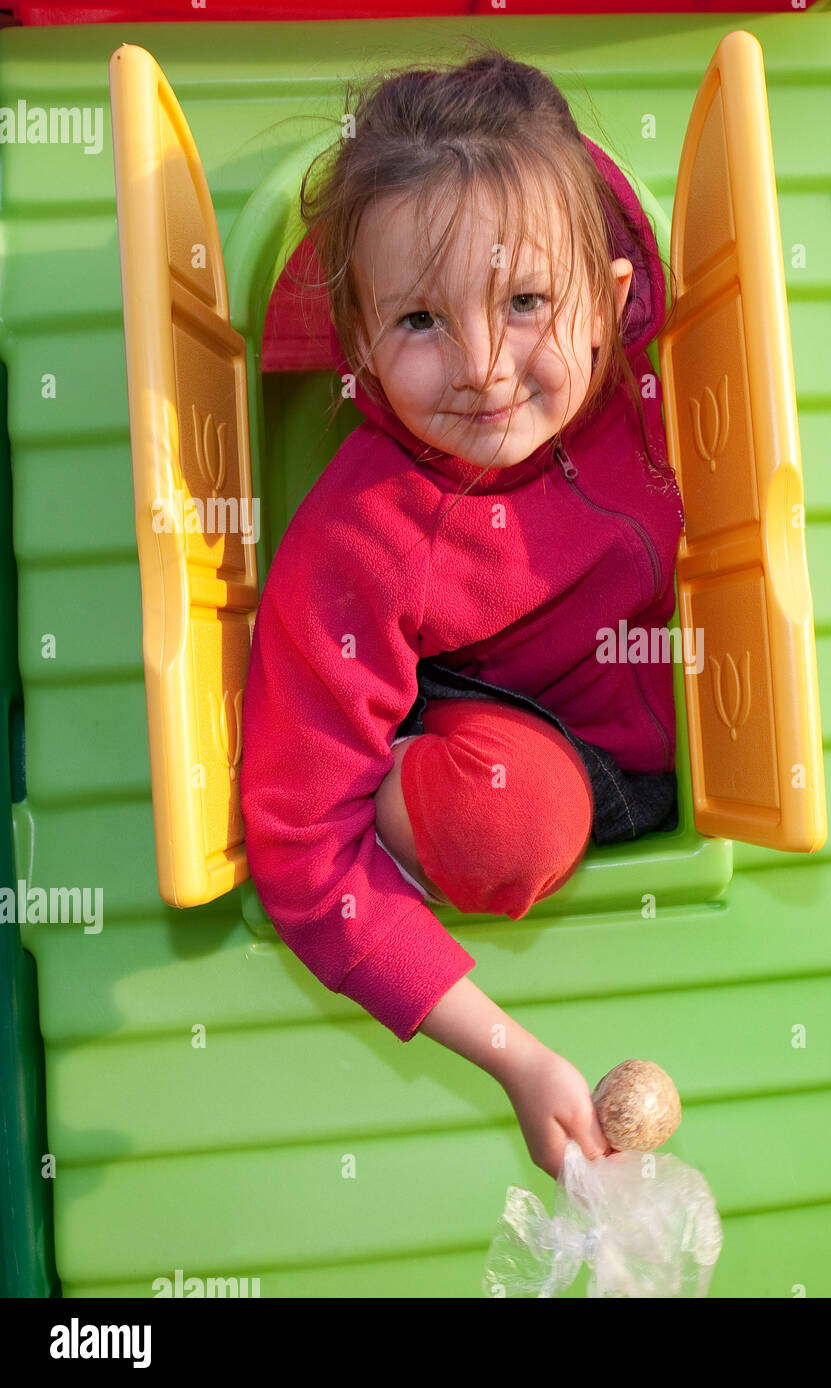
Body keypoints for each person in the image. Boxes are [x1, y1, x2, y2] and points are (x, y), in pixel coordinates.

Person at [239, 49, 684, 1180]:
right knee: (509, 816)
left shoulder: (665, 408)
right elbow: (298, 848)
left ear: (609, 304)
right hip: (509, 755)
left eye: (526, 301)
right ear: (360, 349)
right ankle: (418, 792)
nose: (485, 367)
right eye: (424, 320)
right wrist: (514, 1053)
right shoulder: (364, 535)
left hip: (653, 762)